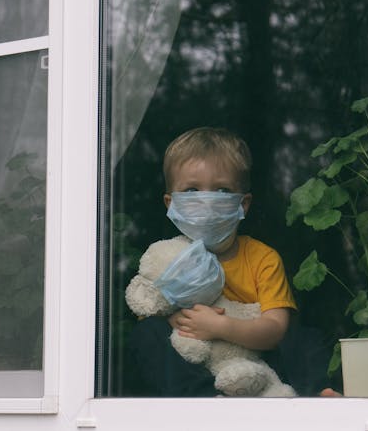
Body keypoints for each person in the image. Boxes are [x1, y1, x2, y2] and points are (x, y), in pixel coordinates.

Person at [128, 126, 333, 396]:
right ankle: (207, 402)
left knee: (306, 337)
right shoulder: (167, 258)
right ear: (171, 203)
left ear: (243, 203)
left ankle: (319, 396)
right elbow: (151, 310)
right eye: (191, 190)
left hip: (257, 365)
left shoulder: (263, 258)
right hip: (197, 366)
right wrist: (179, 320)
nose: (206, 200)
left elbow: (275, 329)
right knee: (146, 335)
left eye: (222, 190)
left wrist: (222, 327)